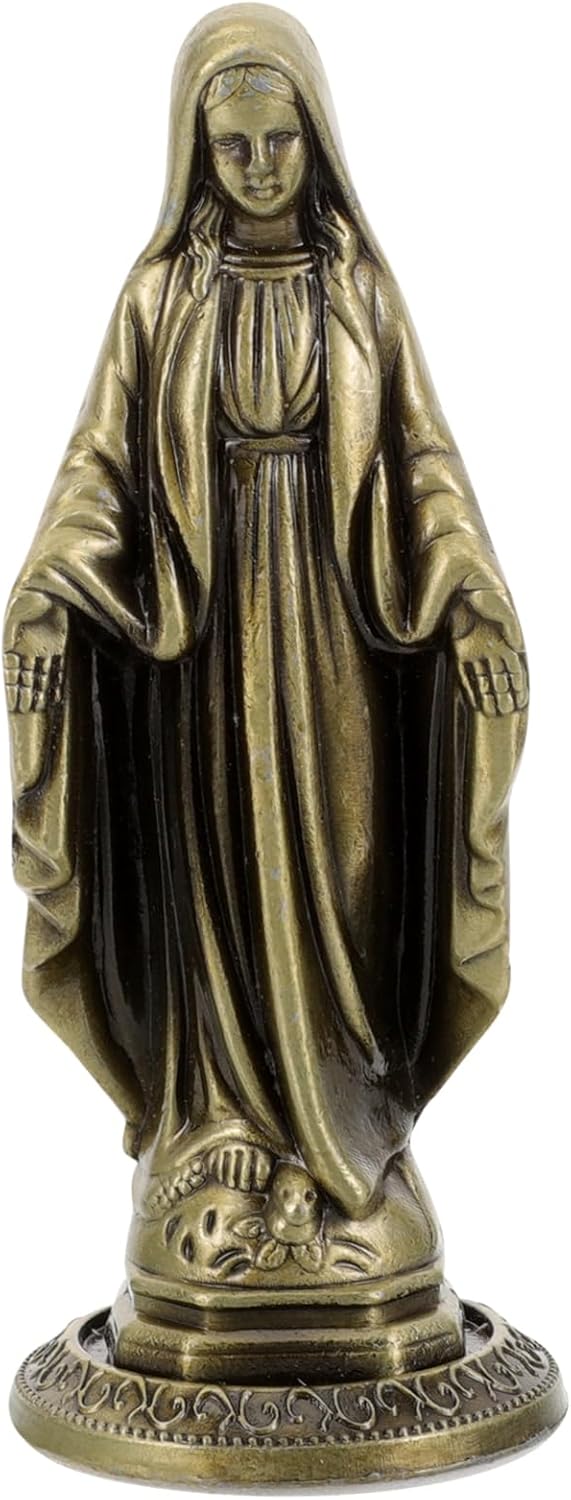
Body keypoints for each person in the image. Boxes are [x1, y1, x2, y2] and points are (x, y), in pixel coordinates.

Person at [4, 7, 527, 1250]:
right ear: (195, 148)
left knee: (341, 872)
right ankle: (221, 1113)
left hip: (337, 639)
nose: (256, 167)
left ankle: (343, 1131)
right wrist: (48, 594)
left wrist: (467, 599)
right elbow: (98, 471)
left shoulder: (359, 292)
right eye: (230, 145)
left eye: (278, 141)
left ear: (316, 138)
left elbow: (423, 466)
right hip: (200, 651)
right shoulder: (159, 297)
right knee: (220, 871)